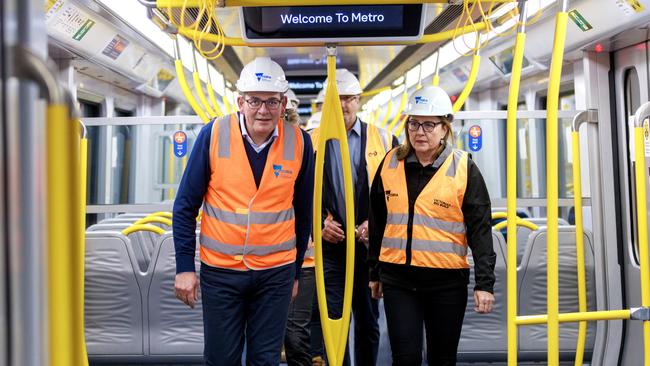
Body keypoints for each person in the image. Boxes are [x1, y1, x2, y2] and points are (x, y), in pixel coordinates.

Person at [172, 56, 315, 366]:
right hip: (221, 272)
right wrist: (184, 266)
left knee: (265, 360)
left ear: (282, 103)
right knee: (222, 359)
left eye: (271, 102)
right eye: (254, 101)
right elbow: (185, 206)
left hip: (275, 273)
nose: (262, 110)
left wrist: (294, 273)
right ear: (240, 101)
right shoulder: (214, 134)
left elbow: (304, 214)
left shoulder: (301, 143)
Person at [367, 86, 496, 366]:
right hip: (399, 279)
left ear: (444, 128)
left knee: (442, 358)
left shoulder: (464, 168)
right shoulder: (389, 163)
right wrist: (374, 271)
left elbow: (480, 230)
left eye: (428, 124)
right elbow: (378, 223)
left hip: (446, 282)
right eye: (414, 123)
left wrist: (485, 283)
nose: (420, 131)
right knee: (406, 357)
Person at [310, 68, 398, 366]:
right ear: (324, 104)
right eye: (336, 99)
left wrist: (375, 224)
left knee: (368, 321)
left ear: (358, 101)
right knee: (333, 319)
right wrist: (319, 223)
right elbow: (301, 195)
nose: (343, 105)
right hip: (331, 248)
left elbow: (397, 194)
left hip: (368, 248)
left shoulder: (386, 140)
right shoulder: (310, 141)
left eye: (348, 99)